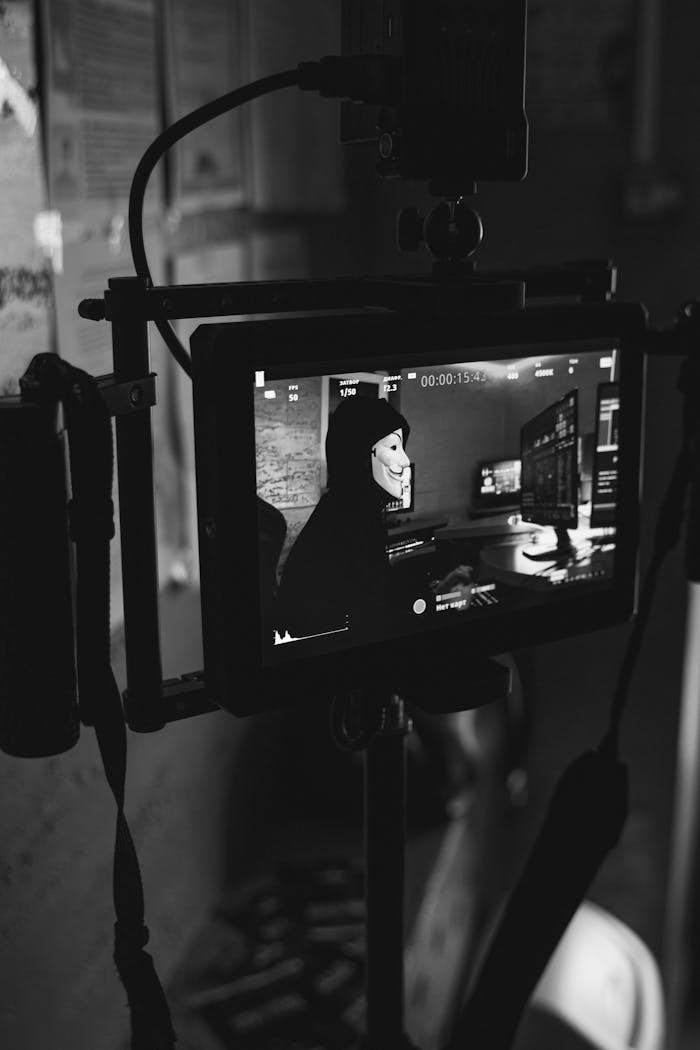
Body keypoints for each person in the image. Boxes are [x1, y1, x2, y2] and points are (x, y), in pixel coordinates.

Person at [276, 395, 472, 640]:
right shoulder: (351, 524)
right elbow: (380, 623)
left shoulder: (343, 509)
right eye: (393, 448)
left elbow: (379, 595)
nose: (404, 461)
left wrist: (435, 592)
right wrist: (441, 600)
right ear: (360, 459)